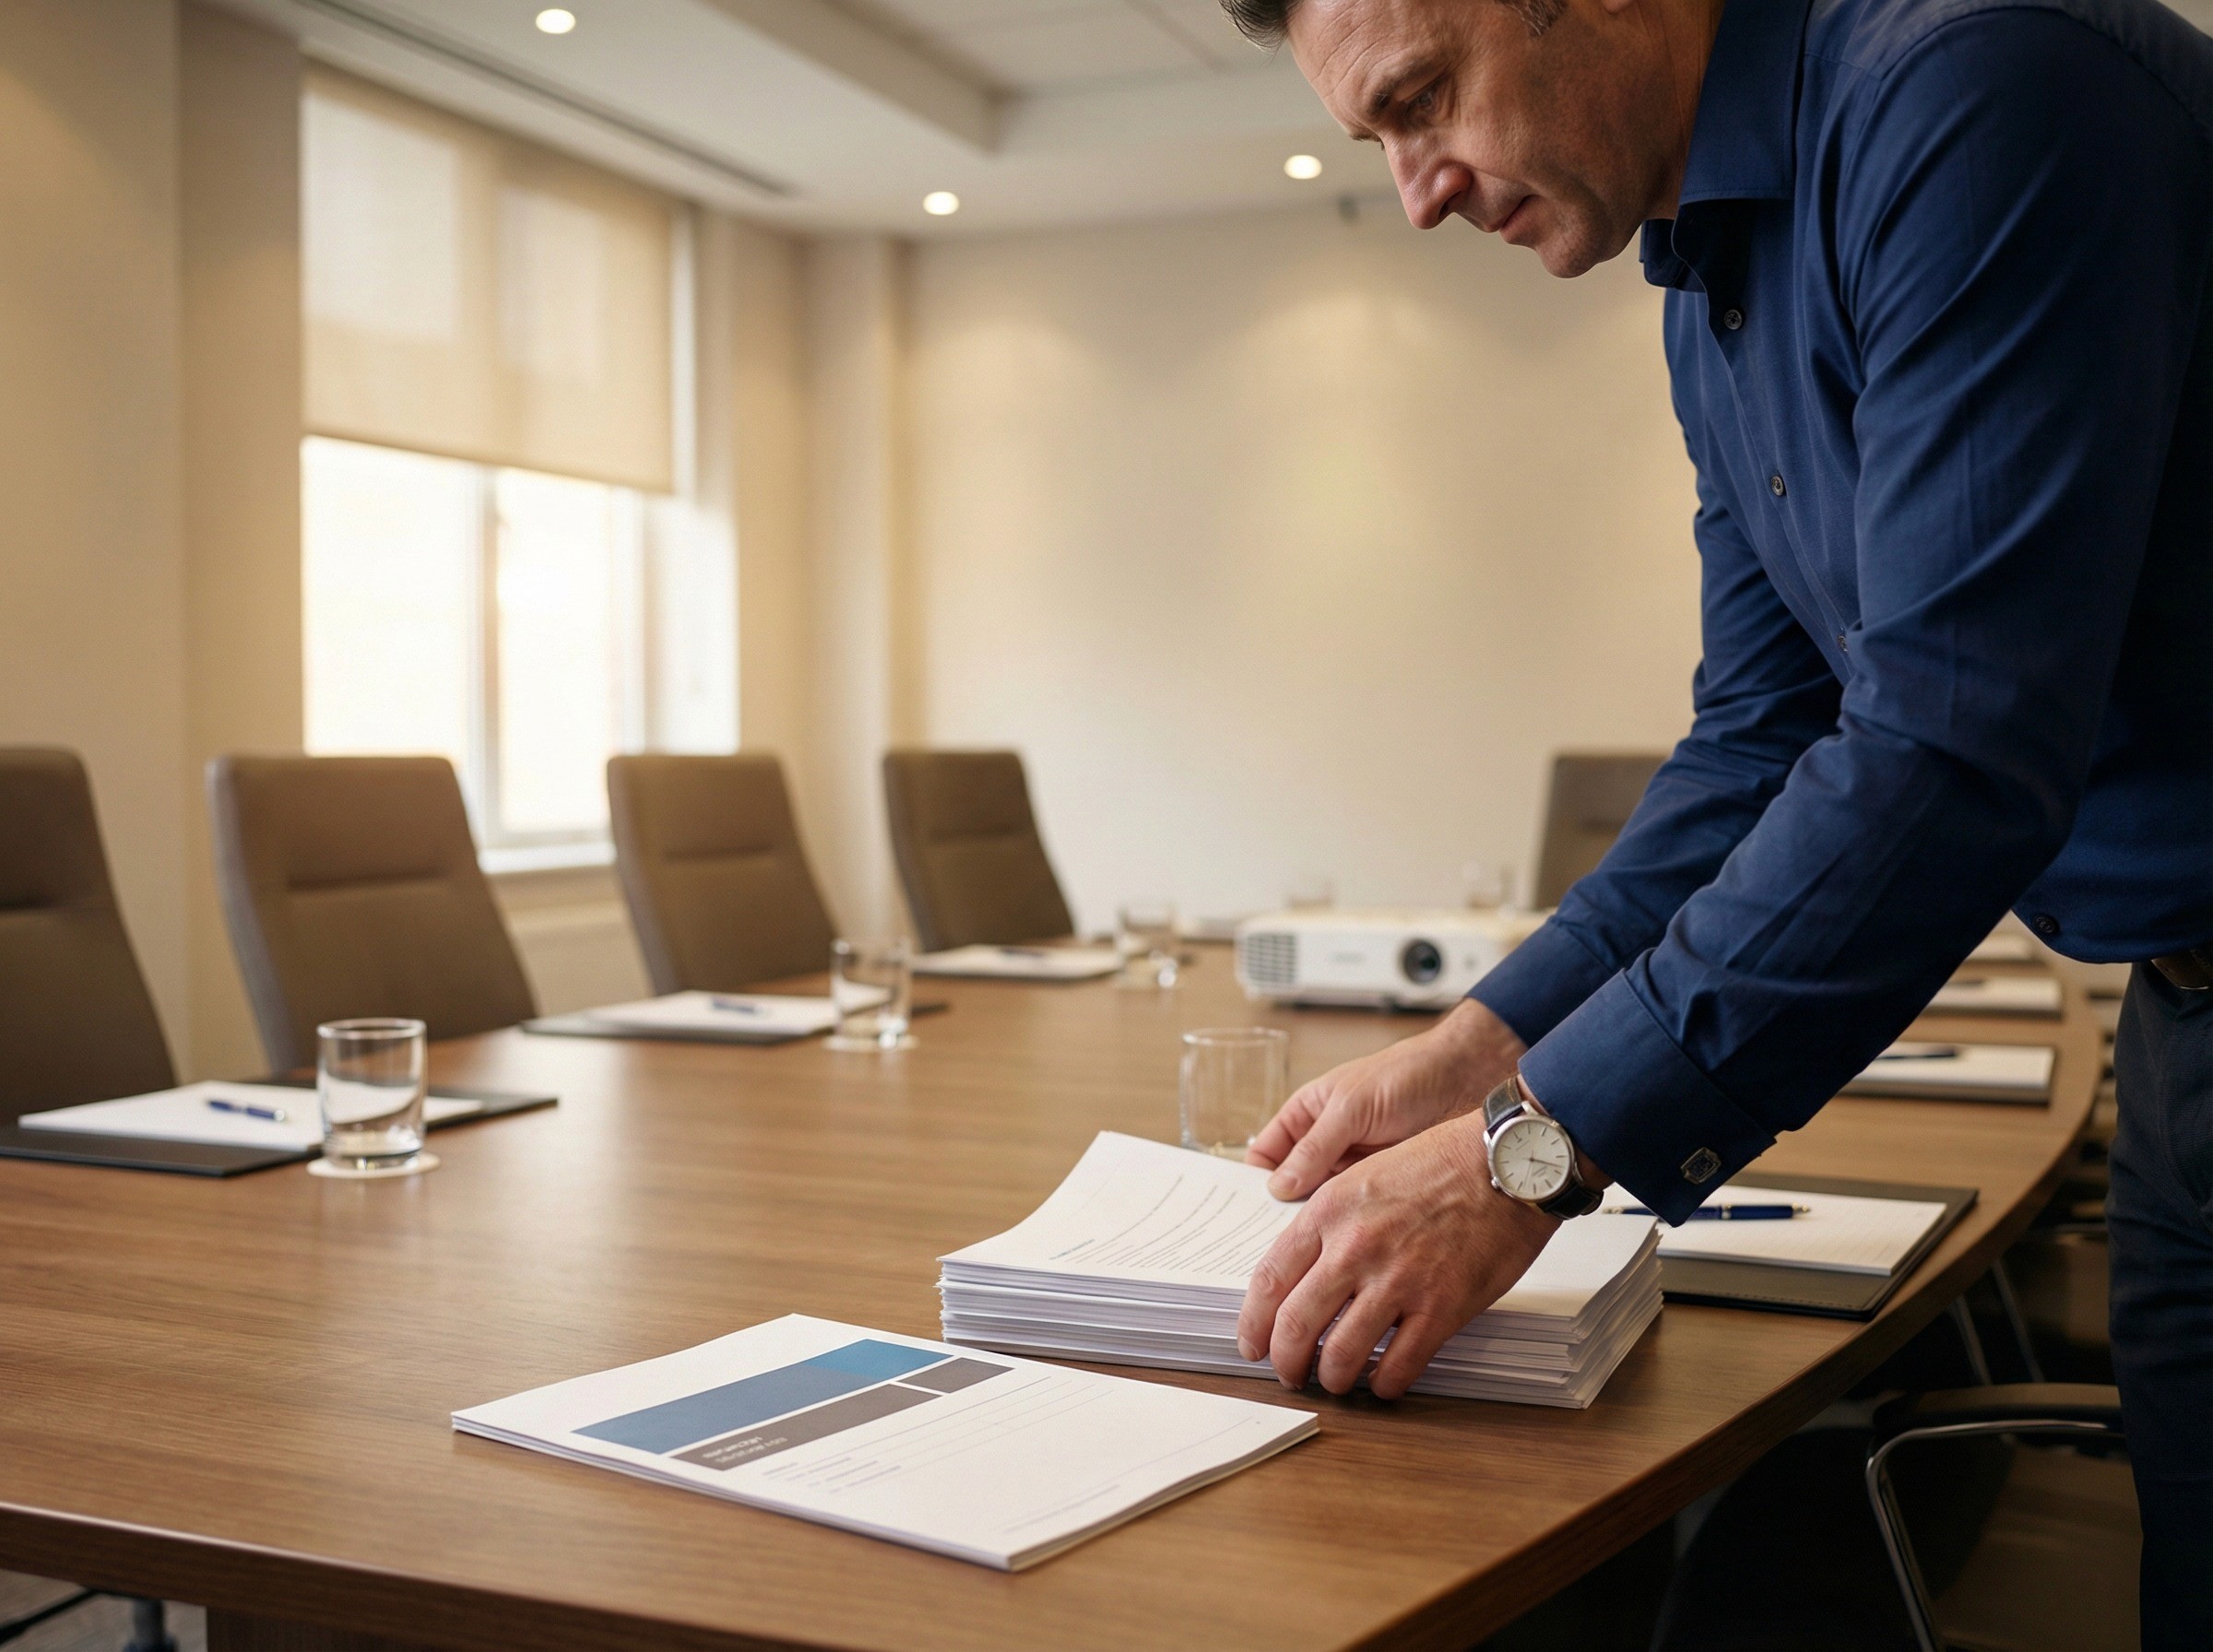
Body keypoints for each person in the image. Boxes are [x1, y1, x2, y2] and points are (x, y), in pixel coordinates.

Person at [1217, 0, 2213, 1640]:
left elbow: (1952, 753)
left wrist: (1525, 1158)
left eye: (1420, 101)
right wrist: (1475, 1049)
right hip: (2180, 1021)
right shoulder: (1712, 275)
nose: (1416, 192)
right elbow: (1764, 738)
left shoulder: (1972, 87)